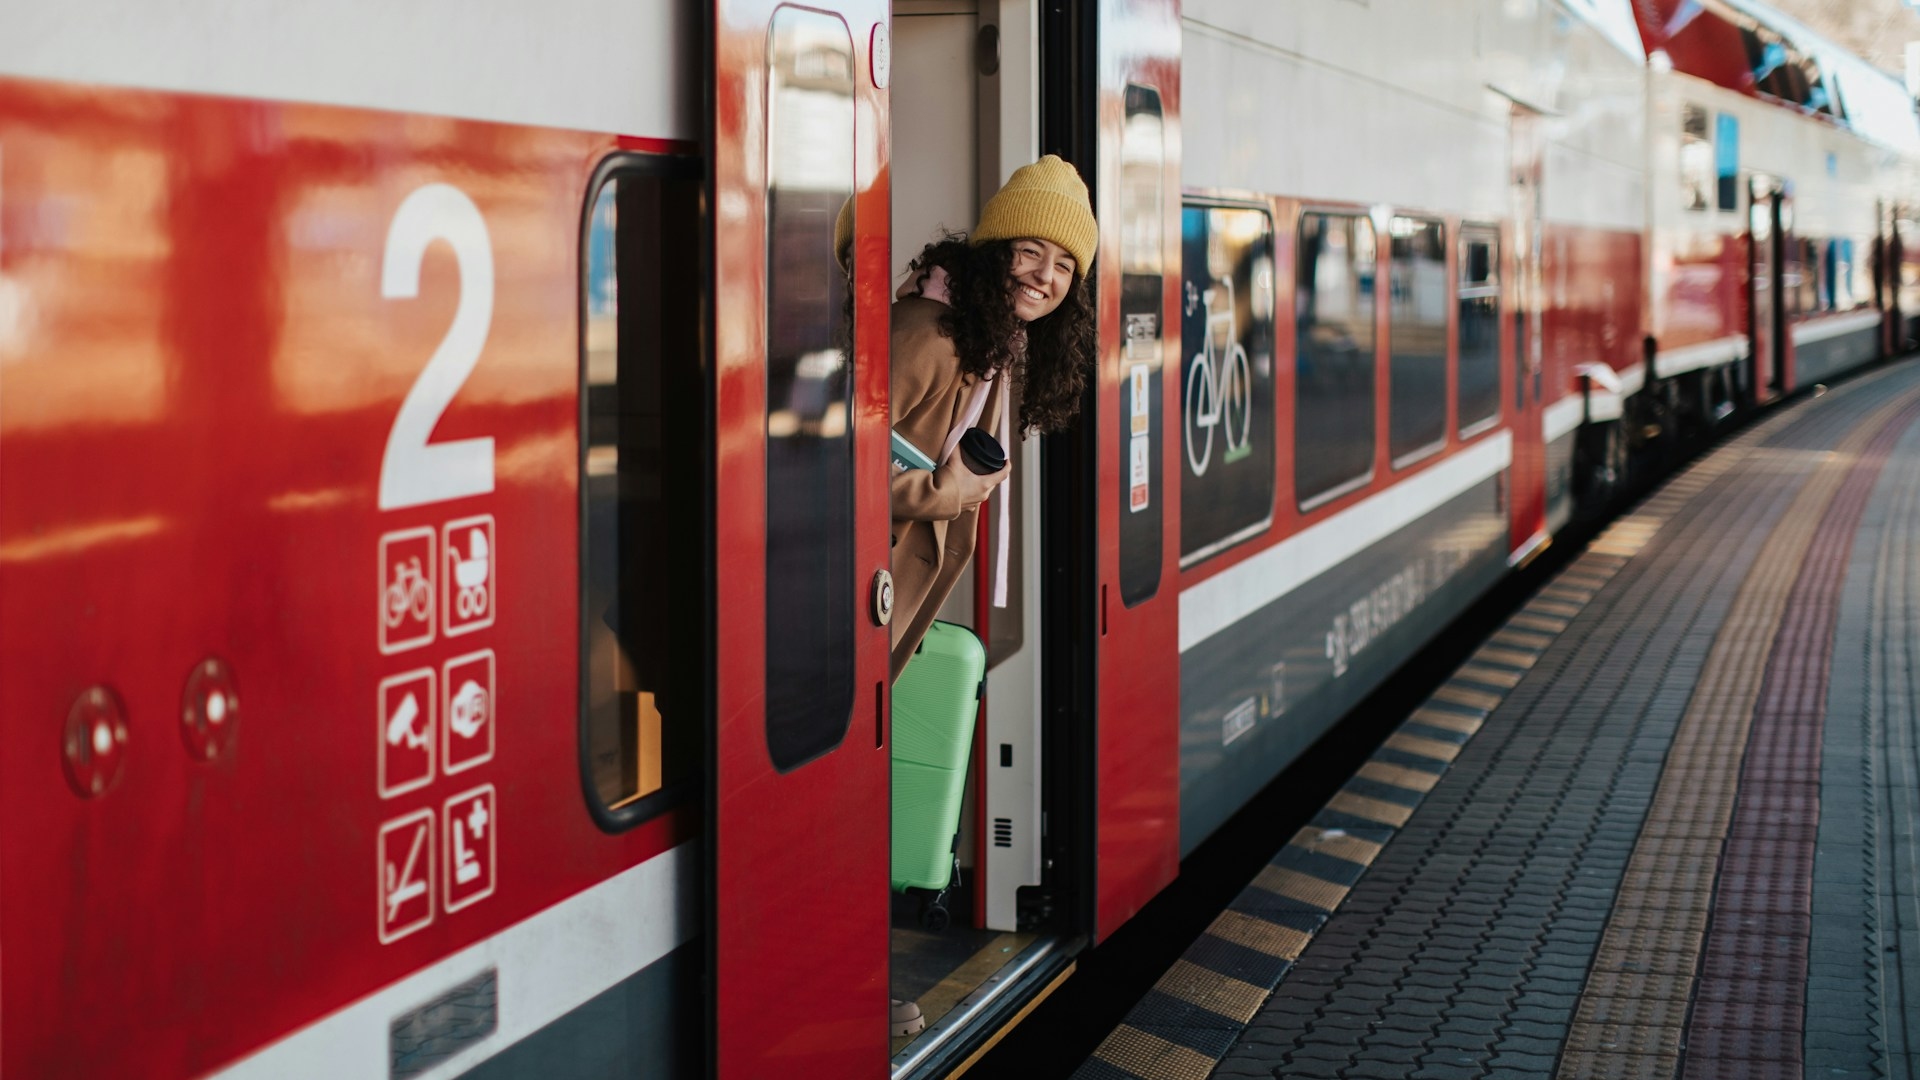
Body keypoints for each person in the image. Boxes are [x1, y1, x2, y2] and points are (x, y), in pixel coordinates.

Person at [886, 154, 1099, 680]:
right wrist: (947, 493)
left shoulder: (990, 343)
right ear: (994, 251)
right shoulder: (929, 337)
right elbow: (831, 463)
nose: (1045, 276)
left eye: (1064, 266)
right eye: (1030, 251)